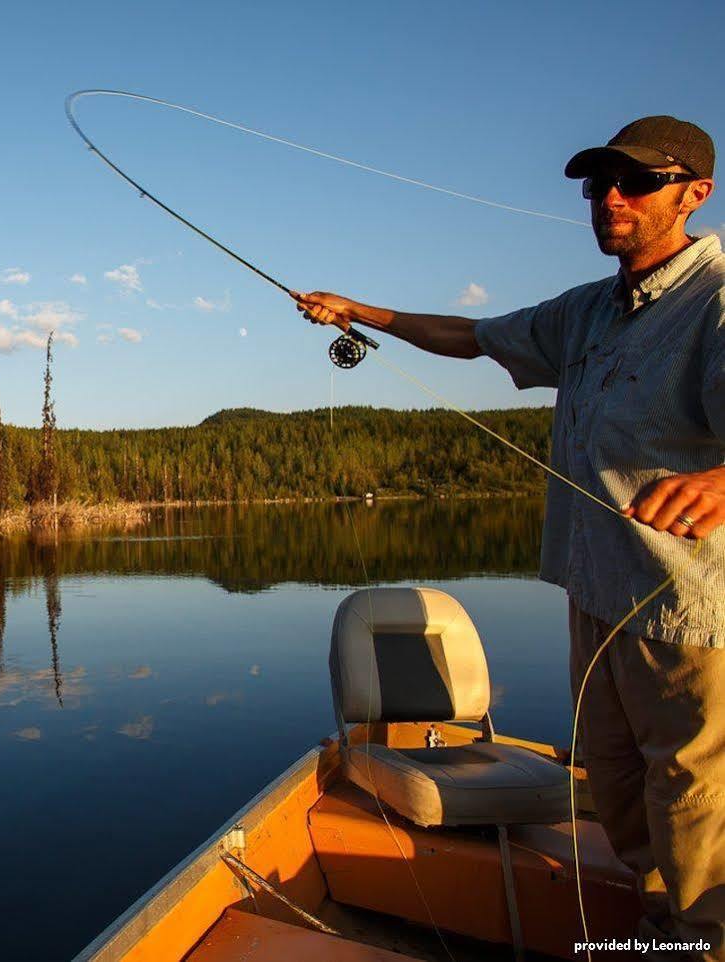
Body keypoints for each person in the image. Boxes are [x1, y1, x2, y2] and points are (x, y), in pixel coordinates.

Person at [294, 116, 725, 960]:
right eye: (597, 184)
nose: (609, 199)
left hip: (688, 614)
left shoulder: (713, 300)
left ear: (693, 194)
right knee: (616, 782)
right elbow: (468, 337)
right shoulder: (587, 311)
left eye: (635, 183)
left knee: (696, 797)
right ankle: (656, 933)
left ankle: (702, 942)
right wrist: (358, 311)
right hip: (598, 594)